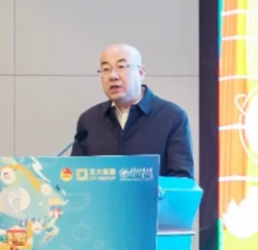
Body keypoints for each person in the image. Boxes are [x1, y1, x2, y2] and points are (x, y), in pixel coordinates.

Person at [70, 43, 194, 178]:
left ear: (141, 73)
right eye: (105, 69)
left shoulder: (172, 117)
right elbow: (75, 177)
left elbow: (182, 179)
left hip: (153, 193)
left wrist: (145, 184)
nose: (113, 76)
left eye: (121, 66)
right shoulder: (89, 120)